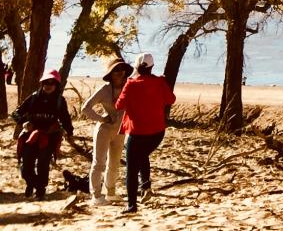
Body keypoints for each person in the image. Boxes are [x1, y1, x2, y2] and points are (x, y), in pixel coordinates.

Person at [116, 53, 175, 214]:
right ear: (152, 67)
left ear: (137, 67)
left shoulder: (131, 84)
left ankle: (131, 205)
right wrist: (161, 84)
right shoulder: (160, 82)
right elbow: (171, 99)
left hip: (137, 132)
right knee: (142, 156)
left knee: (132, 168)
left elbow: (118, 105)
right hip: (157, 132)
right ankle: (146, 185)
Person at [13, 69, 73, 200]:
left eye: (52, 83)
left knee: (43, 165)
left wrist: (70, 133)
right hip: (31, 136)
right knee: (26, 165)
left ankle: (40, 190)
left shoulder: (59, 101)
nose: (48, 85)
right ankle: (31, 184)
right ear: (42, 83)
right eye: (46, 82)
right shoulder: (33, 97)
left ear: (57, 85)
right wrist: (24, 122)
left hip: (49, 136)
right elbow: (16, 113)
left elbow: (65, 118)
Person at [82, 57, 133, 205]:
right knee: (99, 163)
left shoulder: (128, 87)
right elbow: (85, 108)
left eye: (122, 69)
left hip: (121, 131)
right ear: (110, 73)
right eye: (116, 70)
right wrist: (101, 119)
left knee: (114, 163)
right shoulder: (104, 89)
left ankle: (110, 192)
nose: (120, 73)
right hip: (104, 131)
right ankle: (96, 196)